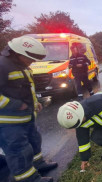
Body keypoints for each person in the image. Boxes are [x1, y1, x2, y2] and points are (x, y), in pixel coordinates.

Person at [0, 36, 57, 182]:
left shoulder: (22, 67)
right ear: (18, 53)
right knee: (19, 151)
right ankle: (29, 179)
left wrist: (35, 102)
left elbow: (27, 88)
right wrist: (16, 105)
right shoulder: (2, 65)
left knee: (34, 141)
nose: (31, 62)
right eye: (29, 58)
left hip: (26, 116)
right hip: (8, 122)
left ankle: (38, 164)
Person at [57, 92, 102, 171]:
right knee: (97, 137)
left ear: (80, 114)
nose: (79, 125)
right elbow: (83, 142)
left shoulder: (99, 100)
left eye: (79, 123)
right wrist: (84, 159)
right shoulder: (78, 122)